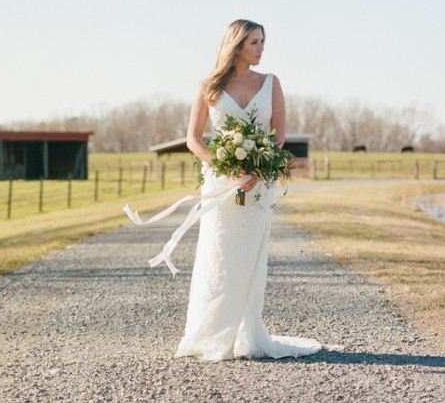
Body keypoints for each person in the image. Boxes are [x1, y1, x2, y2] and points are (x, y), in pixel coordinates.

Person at [128, 19, 321, 361]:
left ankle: (247, 333)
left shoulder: (271, 83)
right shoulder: (209, 86)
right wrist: (228, 168)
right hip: (220, 183)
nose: (261, 48)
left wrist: (259, 171)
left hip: (259, 186)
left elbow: (278, 137)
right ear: (237, 45)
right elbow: (194, 139)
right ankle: (210, 332)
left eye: (263, 42)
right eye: (255, 42)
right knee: (218, 253)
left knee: (250, 255)